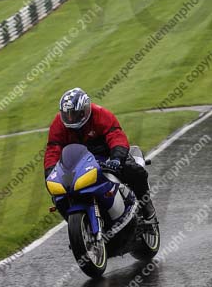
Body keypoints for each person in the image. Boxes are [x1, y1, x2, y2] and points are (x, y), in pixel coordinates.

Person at [44, 87, 156, 221]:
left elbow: (116, 136)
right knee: (59, 194)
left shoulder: (101, 114)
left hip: (106, 155)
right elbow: (53, 149)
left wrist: (116, 158)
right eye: (66, 114)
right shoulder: (59, 124)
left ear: (85, 110)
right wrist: (50, 172)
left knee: (134, 170)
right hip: (78, 162)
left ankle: (145, 204)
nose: (70, 118)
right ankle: (78, 225)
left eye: (74, 114)